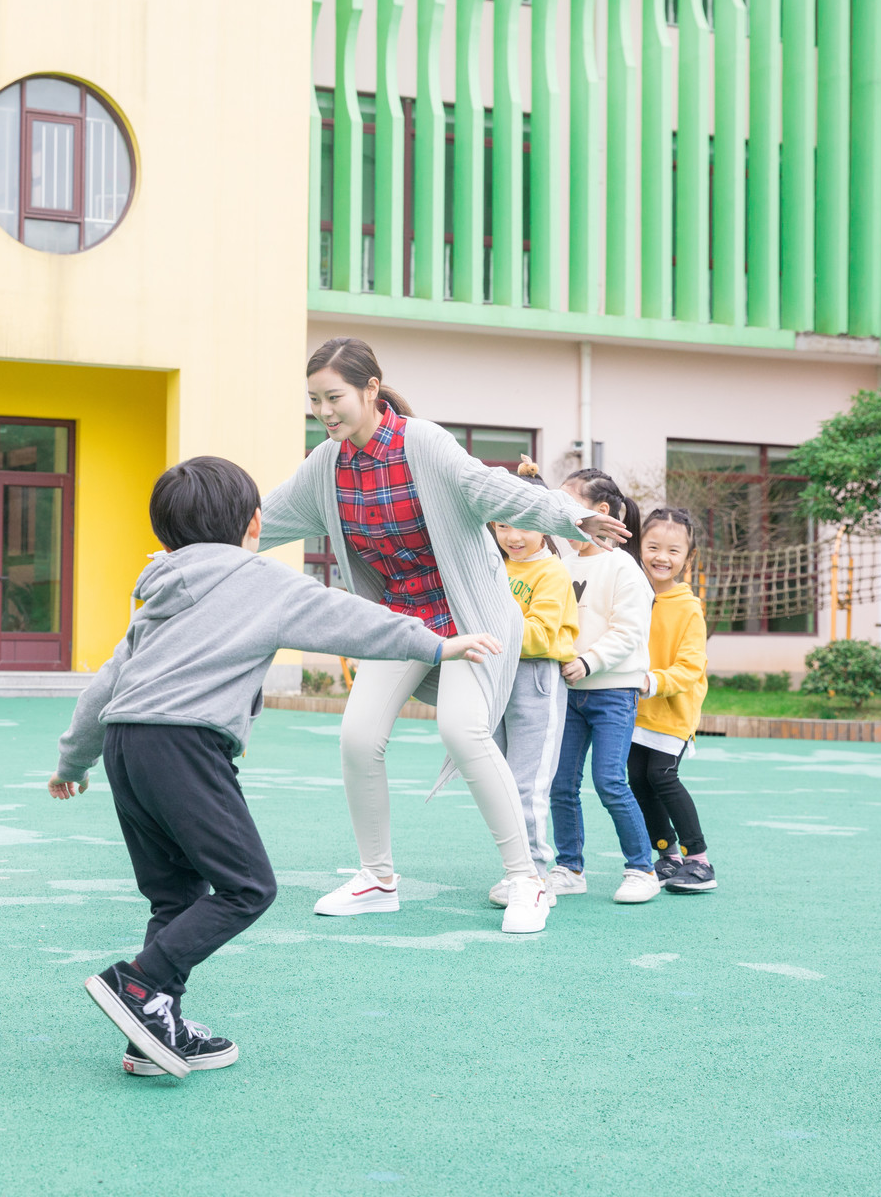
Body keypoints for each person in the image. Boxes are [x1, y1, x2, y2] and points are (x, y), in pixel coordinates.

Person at [51, 457, 505, 1079]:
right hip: (185, 747)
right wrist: (436, 643)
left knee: (176, 895)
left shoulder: (157, 589)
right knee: (248, 887)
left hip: (127, 748)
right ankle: (140, 984)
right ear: (255, 523)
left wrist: (75, 758)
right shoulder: (258, 578)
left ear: (165, 535)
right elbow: (348, 617)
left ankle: (155, 1032)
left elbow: (108, 680)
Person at [259, 338, 630, 926]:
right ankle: (377, 879)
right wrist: (192, 545)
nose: (324, 411)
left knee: (463, 729)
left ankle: (526, 881)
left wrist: (568, 513)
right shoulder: (325, 466)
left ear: (371, 390)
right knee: (357, 737)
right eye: (315, 401)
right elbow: (260, 518)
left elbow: (490, 487)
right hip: (402, 623)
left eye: (335, 397)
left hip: (473, 616)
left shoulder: (422, 443)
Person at [542, 468, 660, 905]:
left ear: (601, 511)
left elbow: (627, 632)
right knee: (560, 782)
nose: (559, 514)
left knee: (610, 781)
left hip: (613, 691)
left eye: (568, 505)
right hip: (568, 692)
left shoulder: (623, 568)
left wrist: (588, 662)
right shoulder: (561, 562)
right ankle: (569, 867)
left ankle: (642, 869)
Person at [484, 479, 579, 909]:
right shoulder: (493, 565)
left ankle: (536, 873)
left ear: (545, 523)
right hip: (495, 677)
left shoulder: (552, 572)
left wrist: (490, 630)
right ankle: (517, 869)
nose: (513, 537)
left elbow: (540, 636)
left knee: (527, 783)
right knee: (500, 782)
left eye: (523, 524)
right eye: (502, 525)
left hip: (535, 680)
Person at [630, 507, 715, 893]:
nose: (661, 557)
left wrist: (653, 682)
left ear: (687, 558)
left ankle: (699, 861)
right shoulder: (631, 594)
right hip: (633, 711)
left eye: (673, 551)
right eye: (653, 547)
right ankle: (668, 856)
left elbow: (691, 667)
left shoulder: (688, 607)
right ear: (639, 546)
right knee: (637, 780)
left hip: (672, 711)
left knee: (662, 777)